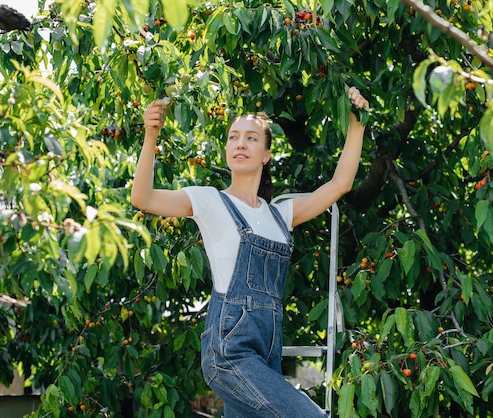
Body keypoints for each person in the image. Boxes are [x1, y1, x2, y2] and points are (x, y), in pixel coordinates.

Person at [131, 86, 369, 417]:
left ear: (267, 154)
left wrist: (357, 122)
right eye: (233, 137)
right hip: (229, 354)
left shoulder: (280, 215)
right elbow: (143, 198)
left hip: (265, 356)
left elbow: (339, 184)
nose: (240, 143)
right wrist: (150, 136)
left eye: (251, 138)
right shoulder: (210, 200)